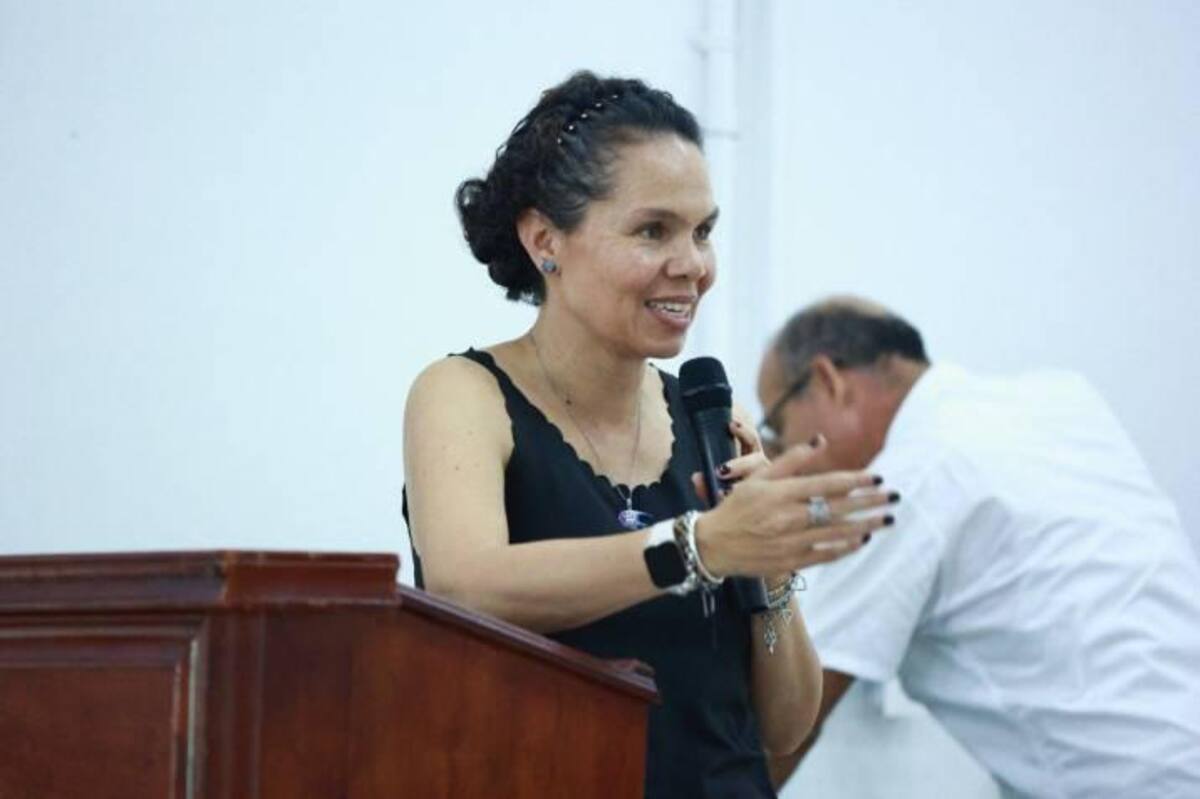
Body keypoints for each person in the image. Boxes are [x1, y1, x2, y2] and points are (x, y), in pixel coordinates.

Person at [401, 73, 898, 798]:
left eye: (703, 231)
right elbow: (466, 584)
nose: (692, 265)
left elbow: (784, 725)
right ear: (545, 240)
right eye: (652, 230)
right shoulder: (463, 393)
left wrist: (771, 569)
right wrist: (699, 546)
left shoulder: (708, 418)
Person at [757, 296, 1200, 798]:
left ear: (827, 381)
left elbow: (789, 725)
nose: (778, 458)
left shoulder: (900, 484)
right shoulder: (1060, 400)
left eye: (776, 428)